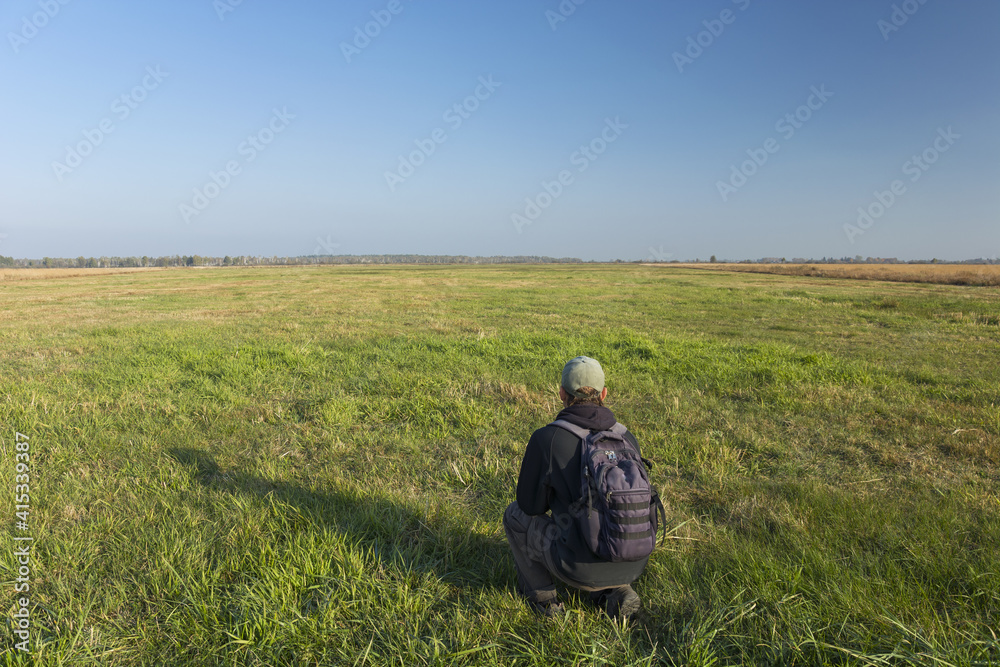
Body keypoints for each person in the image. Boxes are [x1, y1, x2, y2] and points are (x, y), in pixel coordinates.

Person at [503, 356, 648, 619]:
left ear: (561, 394)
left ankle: (543, 601)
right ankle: (616, 591)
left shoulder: (548, 437)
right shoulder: (627, 437)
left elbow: (529, 505)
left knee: (514, 515)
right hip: (634, 562)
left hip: (576, 566)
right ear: (604, 393)